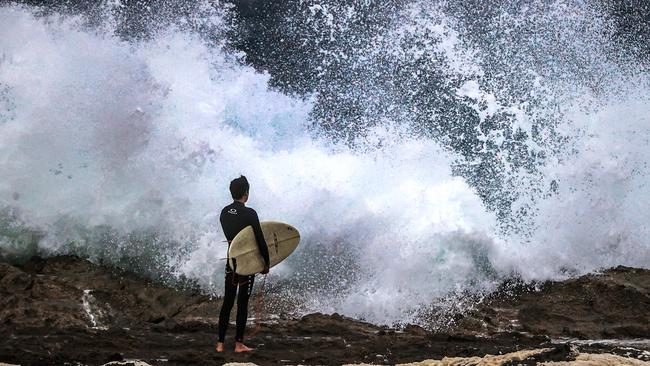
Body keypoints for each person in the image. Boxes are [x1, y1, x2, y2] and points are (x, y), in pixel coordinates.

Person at [216, 175, 270, 353]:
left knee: (228, 302)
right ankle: (239, 344)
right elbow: (260, 241)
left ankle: (220, 343)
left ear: (232, 193)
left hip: (231, 262)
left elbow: (232, 238)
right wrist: (266, 263)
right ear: (246, 193)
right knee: (243, 302)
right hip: (247, 264)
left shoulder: (224, 212)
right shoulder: (250, 213)